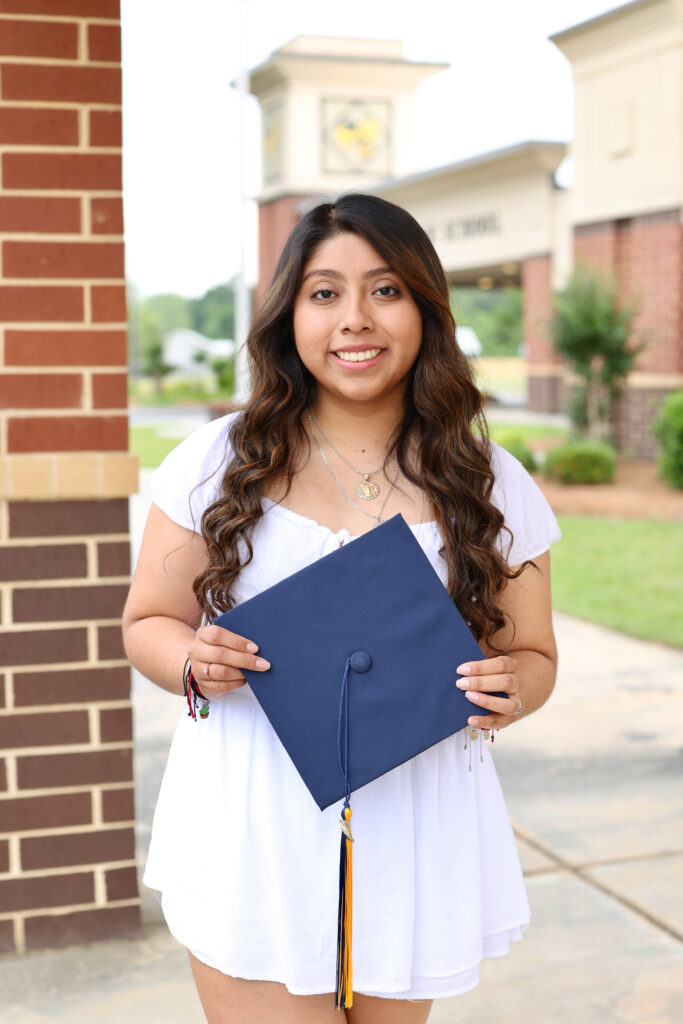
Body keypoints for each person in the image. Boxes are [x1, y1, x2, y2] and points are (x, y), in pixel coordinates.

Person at [122, 192, 560, 1024]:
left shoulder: (490, 480)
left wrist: (512, 689)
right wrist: (189, 659)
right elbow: (147, 621)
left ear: (426, 309)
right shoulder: (217, 461)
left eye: (385, 289)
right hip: (253, 818)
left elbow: (532, 656)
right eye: (324, 293)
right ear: (290, 315)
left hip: (417, 821)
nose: (354, 319)